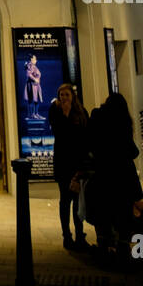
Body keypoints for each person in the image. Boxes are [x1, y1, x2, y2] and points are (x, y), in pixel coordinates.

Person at [85, 92, 143, 266]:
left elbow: (89, 143)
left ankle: (104, 250)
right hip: (122, 178)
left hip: (102, 176)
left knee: (103, 215)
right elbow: (132, 151)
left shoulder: (97, 118)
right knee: (123, 218)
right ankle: (124, 253)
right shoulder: (122, 123)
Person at [47, 83, 90, 249]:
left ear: (72, 96)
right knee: (65, 200)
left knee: (78, 201)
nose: (64, 98)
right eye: (61, 95)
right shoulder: (55, 110)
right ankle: (67, 236)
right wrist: (64, 114)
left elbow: (85, 135)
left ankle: (80, 234)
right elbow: (59, 133)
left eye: (66, 95)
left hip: (77, 163)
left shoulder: (80, 112)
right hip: (63, 162)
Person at [24, 55, 43, 121]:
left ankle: (36, 114)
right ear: (31, 59)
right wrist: (35, 79)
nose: (36, 60)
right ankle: (32, 115)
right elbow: (28, 74)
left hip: (35, 85)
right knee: (32, 100)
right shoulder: (30, 65)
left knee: (36, 100)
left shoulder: (33, 66)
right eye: (35, 59)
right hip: (32, 85)